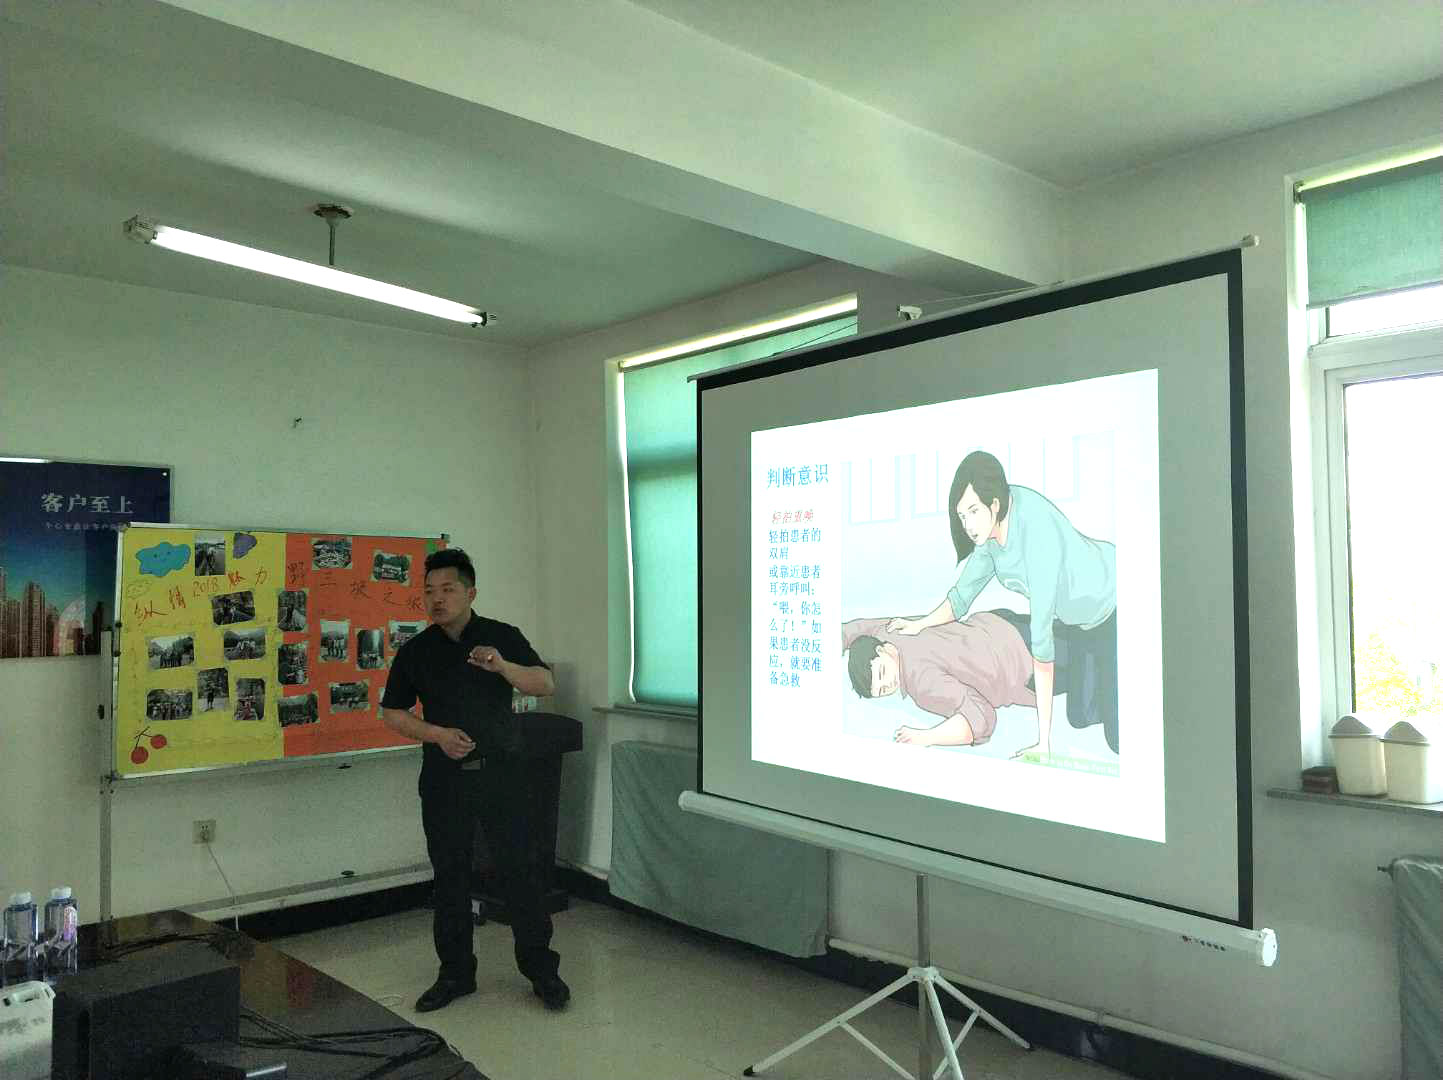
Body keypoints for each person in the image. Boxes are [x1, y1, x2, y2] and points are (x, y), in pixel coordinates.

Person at [380, 548, 566, 1014]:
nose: (437, 599)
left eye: (447, 589)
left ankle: (541, 970)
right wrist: (437, 735)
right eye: (429, 591)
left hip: (504, 777)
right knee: (450, 879)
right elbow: (393, 713)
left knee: (521, 873)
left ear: (471, 593)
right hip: (444, 782)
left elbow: (544, 684)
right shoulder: (416, 651)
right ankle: (456, 974)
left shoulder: (501, 637)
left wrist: (503, 667)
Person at [888, 451, 1118, 755]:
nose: (968, 524)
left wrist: (1044, 742)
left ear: (994, 504)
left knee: (1118, 739)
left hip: (1112, 601)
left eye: (973, 511)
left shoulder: (1035, 532)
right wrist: (920, 624)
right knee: (1079, 716)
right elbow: (960, 598)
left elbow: (1042, 642)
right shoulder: (990, 537)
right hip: (1078, 621)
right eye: (962, 516)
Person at [844, 610, 1054, 746]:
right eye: (882, 690)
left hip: (1024, 669)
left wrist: (925, 737)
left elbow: (981, 717)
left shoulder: (923, 685)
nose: (889, 683)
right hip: (1003, 623)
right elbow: (854, 629)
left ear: (882, 650)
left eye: (882, 673)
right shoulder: (888, 630)